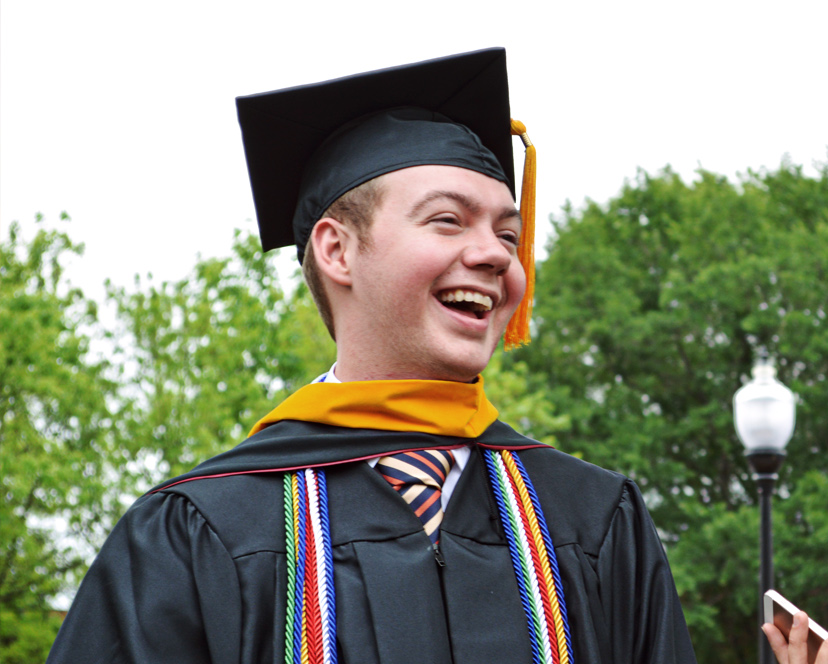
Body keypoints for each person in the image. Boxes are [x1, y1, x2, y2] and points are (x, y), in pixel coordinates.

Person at [47, 49, 698, 664]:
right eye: (448, 220)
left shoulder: (595, 519)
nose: (498, 255)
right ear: (337, 252)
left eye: (508, 233)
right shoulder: (197, 530)